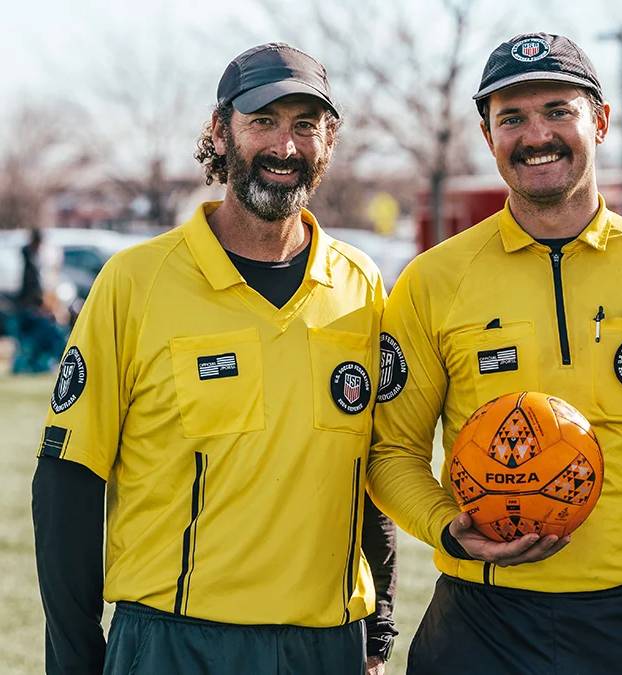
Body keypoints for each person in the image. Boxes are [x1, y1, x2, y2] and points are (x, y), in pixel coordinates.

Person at [367, 32, 622, 675]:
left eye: (557, 110)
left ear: (599, 120)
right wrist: (448, 529)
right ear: (488, 137)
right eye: (511, 117)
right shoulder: (434, 280)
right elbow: (390, 454)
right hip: (478, 624)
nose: (535, 134)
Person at [31, 42, 397, 674]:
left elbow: (372, 467)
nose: (285, 148)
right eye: (263, 122)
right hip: (176, 644)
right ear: (220, 131)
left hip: (328, 645)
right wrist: (73, 657)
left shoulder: (360, 282)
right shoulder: (135, 282)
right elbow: (68, 479)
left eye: (305, 126)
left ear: (328, 142)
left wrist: (378, 629)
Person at [12, 227, 67, 374]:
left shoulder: (35, 260)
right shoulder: (30, 259)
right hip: (28, 310)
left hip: (31, 309)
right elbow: (32, 286)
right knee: (37, 339)